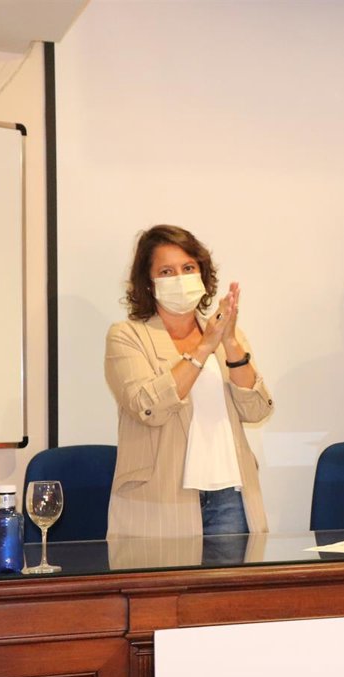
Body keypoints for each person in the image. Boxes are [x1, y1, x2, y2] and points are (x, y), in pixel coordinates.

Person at [104, 225, 273, 538]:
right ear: (149, 282)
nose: (180, 278)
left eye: (188, 268)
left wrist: (230, 342)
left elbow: (257, 410)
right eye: (166, 271)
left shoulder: (227, 334)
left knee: (234, 573)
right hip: (160, 497)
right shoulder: (127, 336)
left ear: (202, 274)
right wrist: (203, 347)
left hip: (230, 496)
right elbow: (147, 407)